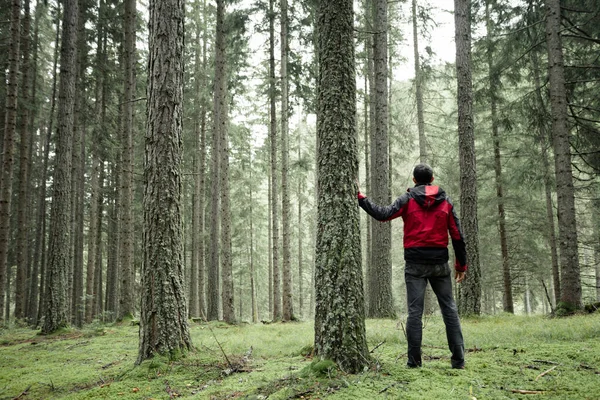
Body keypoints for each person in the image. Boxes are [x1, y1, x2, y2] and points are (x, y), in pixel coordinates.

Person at [357, 163, 467, 369]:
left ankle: (414, 362)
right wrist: (461, 265)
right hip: (439, 264)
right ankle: (459, 361)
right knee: (449, 309)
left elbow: (383, 214)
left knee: (415, 312)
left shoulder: (407, 199)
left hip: (415, 264)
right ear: (432, 179)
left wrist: (361, 198)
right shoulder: (446, 202)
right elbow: (458, 236)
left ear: (414, 180)